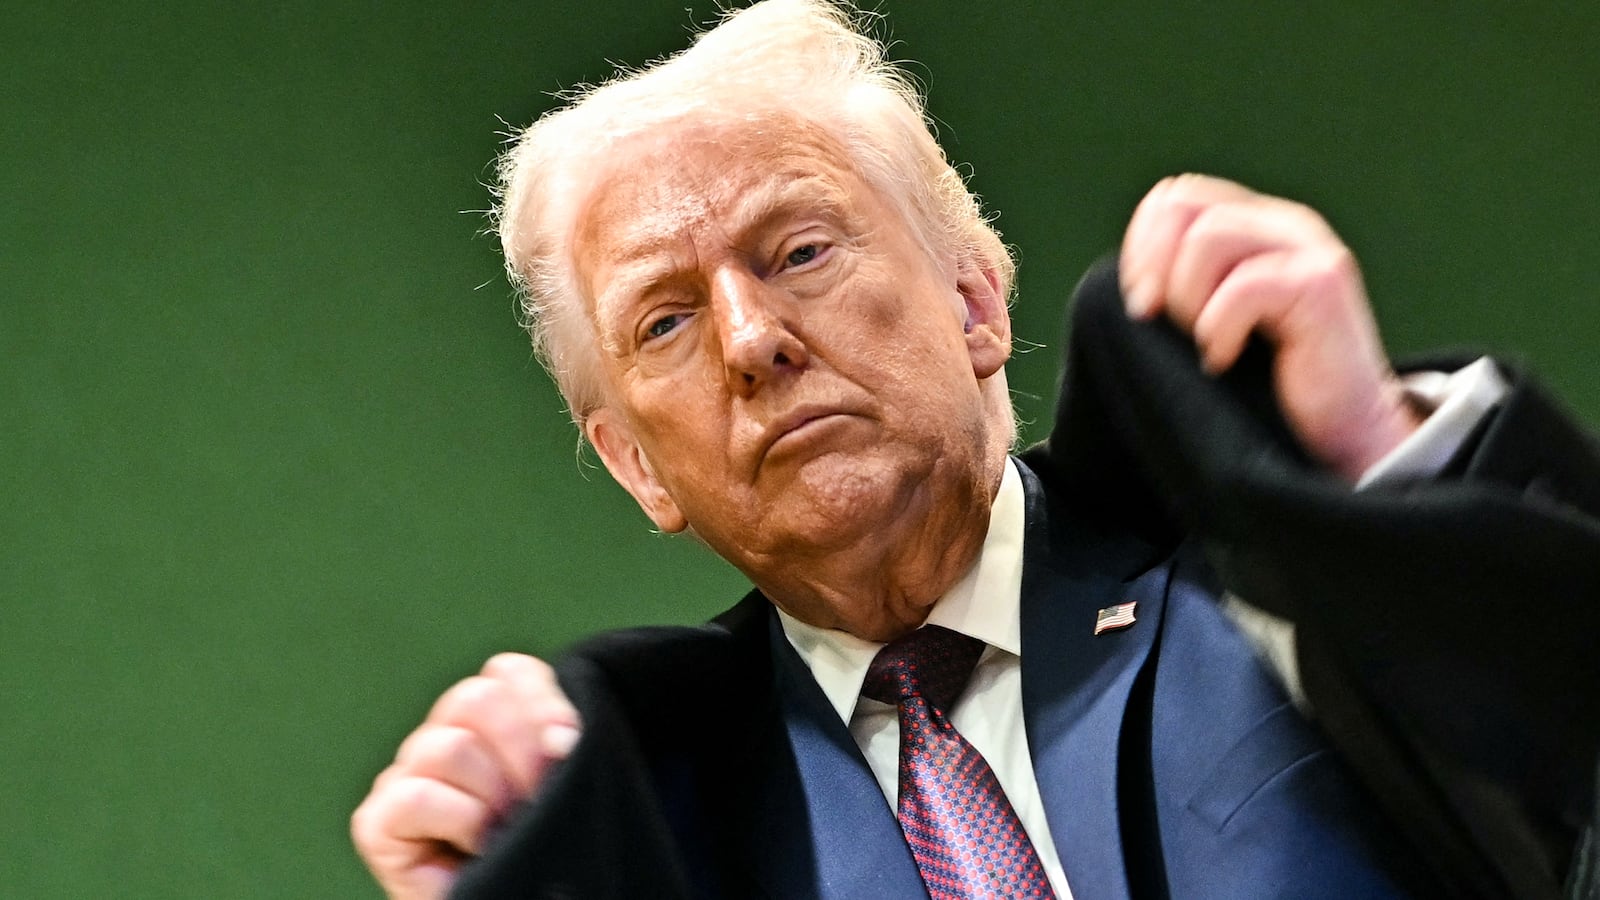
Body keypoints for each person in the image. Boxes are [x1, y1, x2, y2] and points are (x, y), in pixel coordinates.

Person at [351, 1, 1600, 898]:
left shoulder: (1252, 563)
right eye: (665, 320)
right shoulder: (661, 823)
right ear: (633, 463)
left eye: (798, 252)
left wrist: (1382, 458)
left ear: (973, 305)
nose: (751, 339)